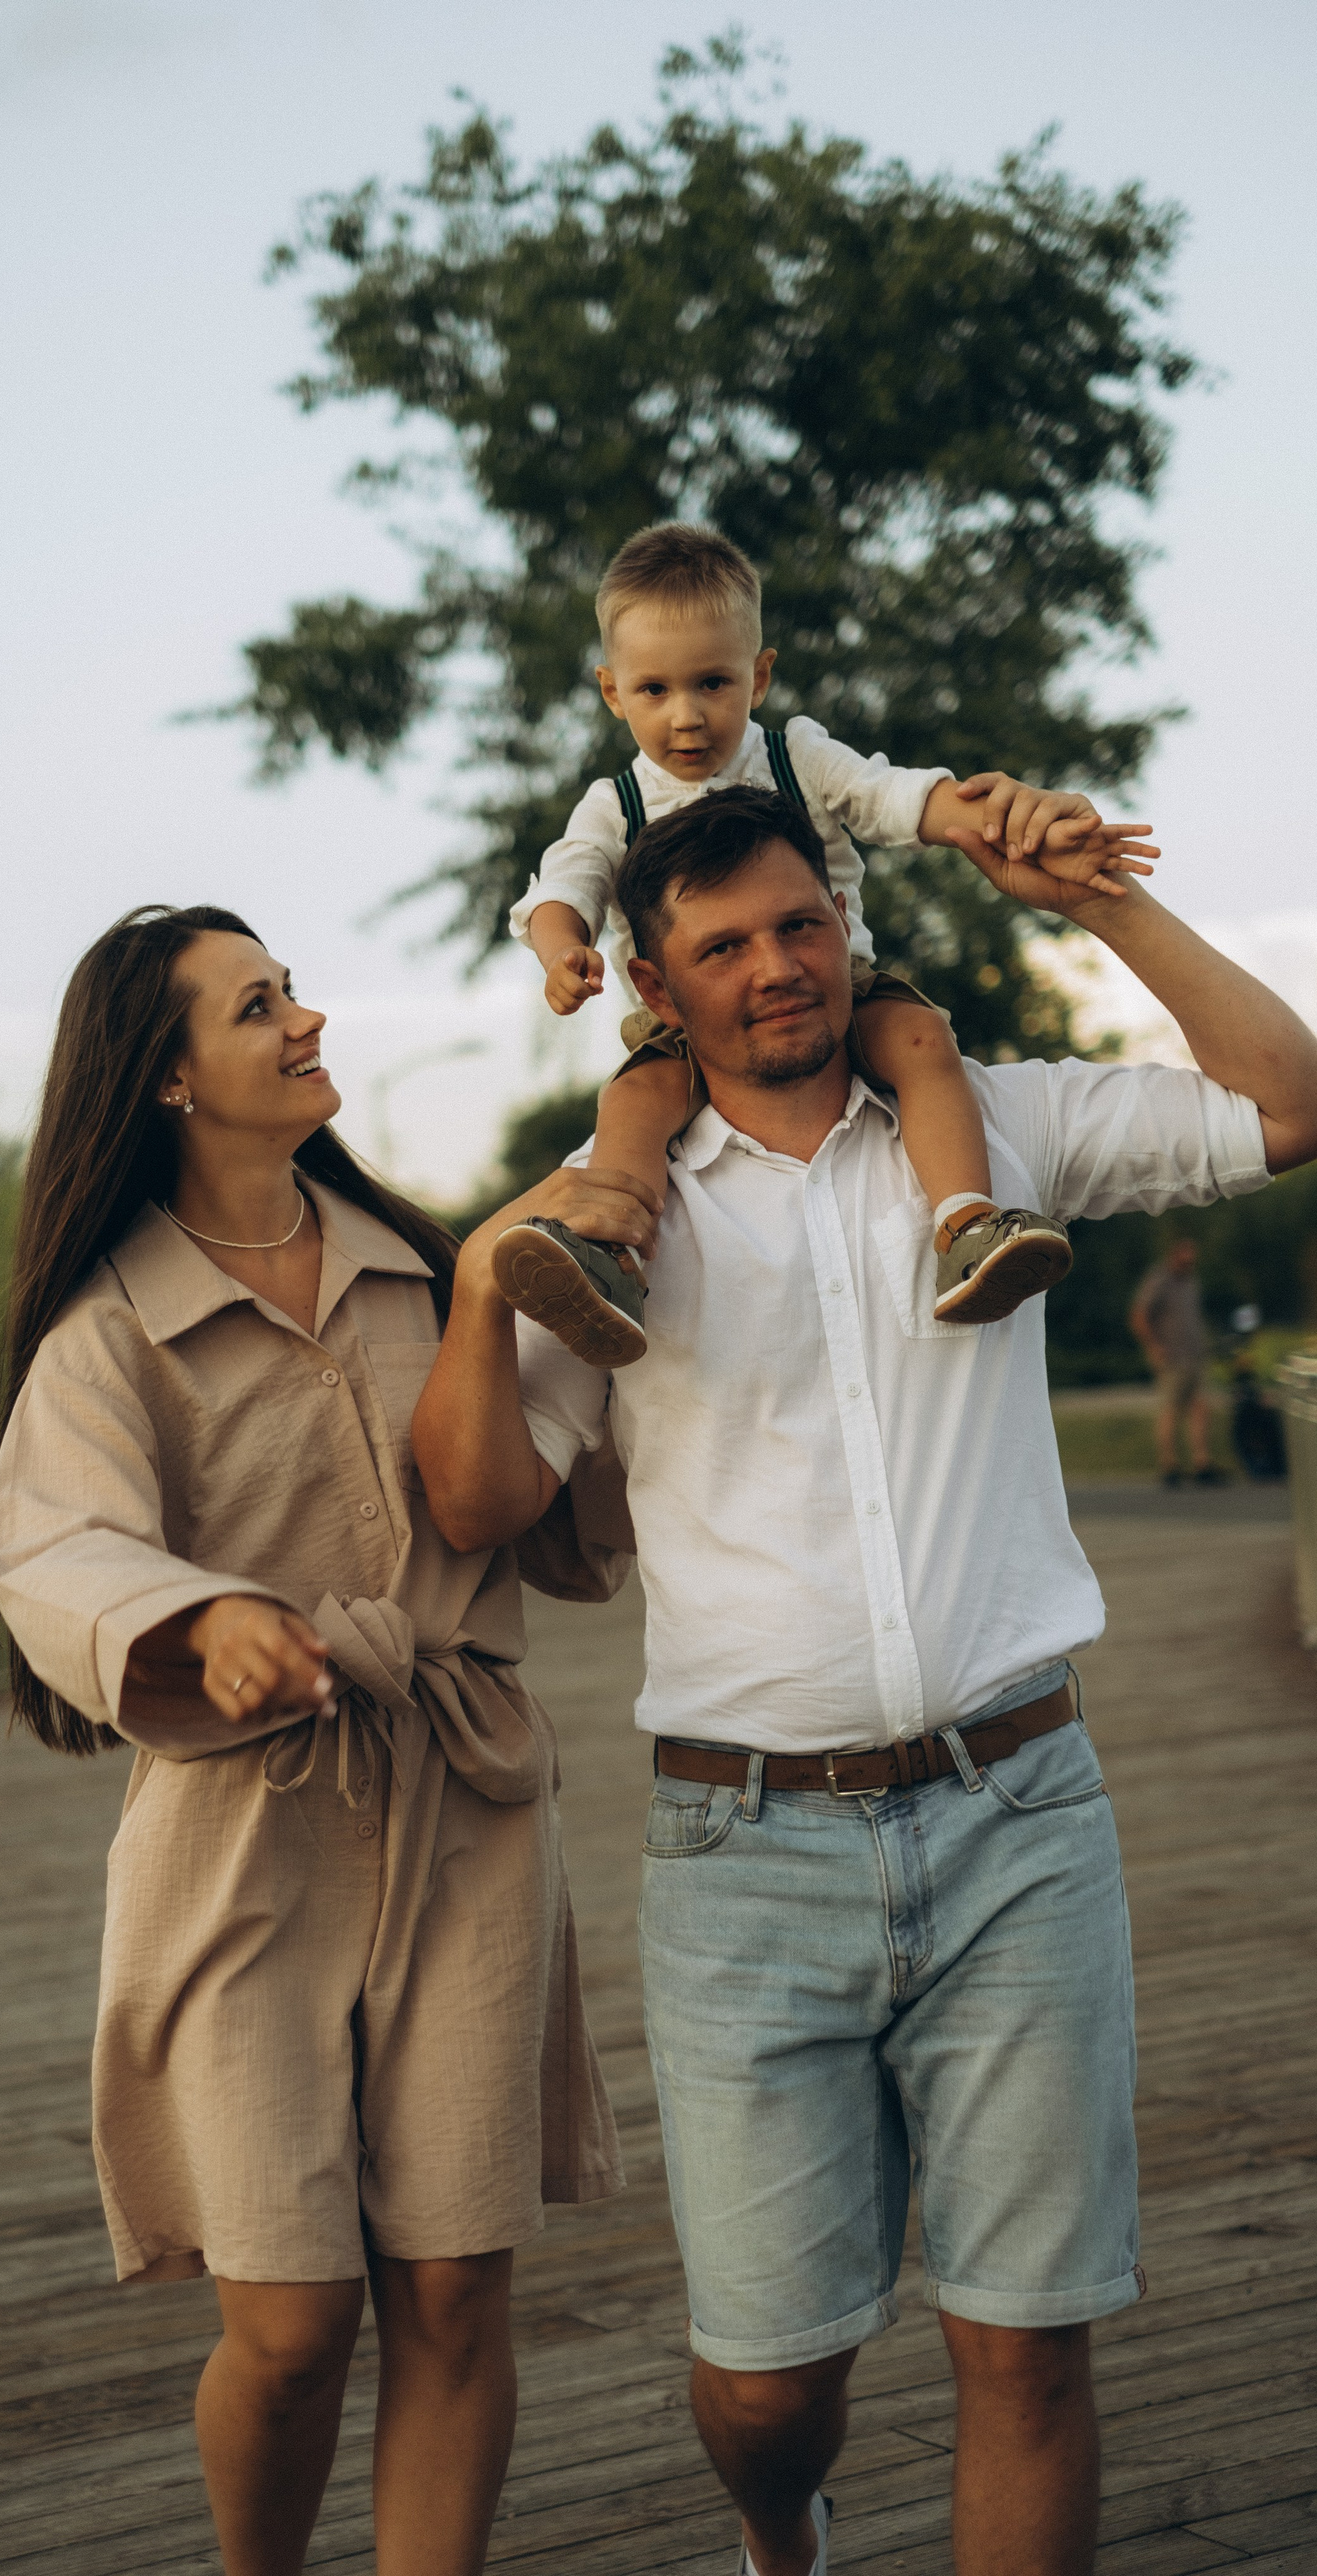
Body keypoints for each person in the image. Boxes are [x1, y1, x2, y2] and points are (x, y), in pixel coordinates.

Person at [411, 788, 1317, 2576]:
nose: (777, 970)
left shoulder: (997, 1133)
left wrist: (1098, 908)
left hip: (1020, 1815)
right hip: (749, 1856)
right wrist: (471, 1294)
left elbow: (1292, 1103)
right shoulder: (613, 1216)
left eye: (801, 925)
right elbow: (478, 1504)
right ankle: (783, 2528)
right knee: (768, 2384)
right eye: (727, 947)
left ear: (847, 921)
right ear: (658, 991)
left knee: (1026, 2347)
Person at [0, 904, 623, 2576]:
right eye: (258, 1004)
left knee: (454, 2281)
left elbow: (547, 1495)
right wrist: (200, 1618)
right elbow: (48, 1542)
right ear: (170, 1078)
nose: (304, 1015)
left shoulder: (425, 1264)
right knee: (287, 2316)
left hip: (468, 1807)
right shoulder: (105, 1328)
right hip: (238, 1840)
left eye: (289, 988)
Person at [496, 521, 1160, 1363]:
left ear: (760, 674)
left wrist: (987, 820)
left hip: (837, 986)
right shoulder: (614, 802)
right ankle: (613, 1258)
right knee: (632, 1104)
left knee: (923, 1040)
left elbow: (889, 798)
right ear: (612, 692)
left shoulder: (794, 754)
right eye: (655, 690)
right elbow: (565, 885)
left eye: (714, 682)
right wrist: (563, 950)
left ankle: (968, 1223)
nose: (689, 716)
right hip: (689, 1026)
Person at [1130, 1236, 1222, 1485]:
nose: (1190, 1261)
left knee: (1199, 1408)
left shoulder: (1192, 1281)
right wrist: (1154, 1347)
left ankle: (1202, 1463)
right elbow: (1139, 1315)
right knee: (1170, 1409)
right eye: (1186, 1255)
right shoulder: (1160, 1280)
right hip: (1172, 1357)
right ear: (1175, 1255)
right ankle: (1169, 1465)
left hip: (1195, 1355)